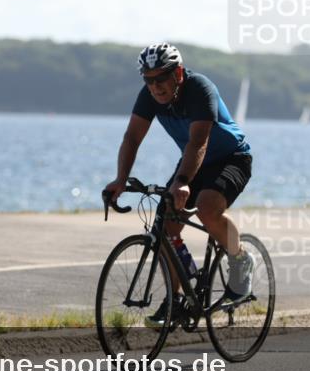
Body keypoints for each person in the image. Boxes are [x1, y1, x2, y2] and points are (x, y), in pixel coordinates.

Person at [103, 43, 255, 327]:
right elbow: (132, 137)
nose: (156, 86)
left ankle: (240, 258)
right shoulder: (149, 97)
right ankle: (175, 301)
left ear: (179, 73)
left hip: (230, 158)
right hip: (192, 161)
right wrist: (120, 180)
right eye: (149, 80)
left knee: (208, 208)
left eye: (161, 78)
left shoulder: (200, 88)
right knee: (166, 228)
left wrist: (183, 182)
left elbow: (199, 141)